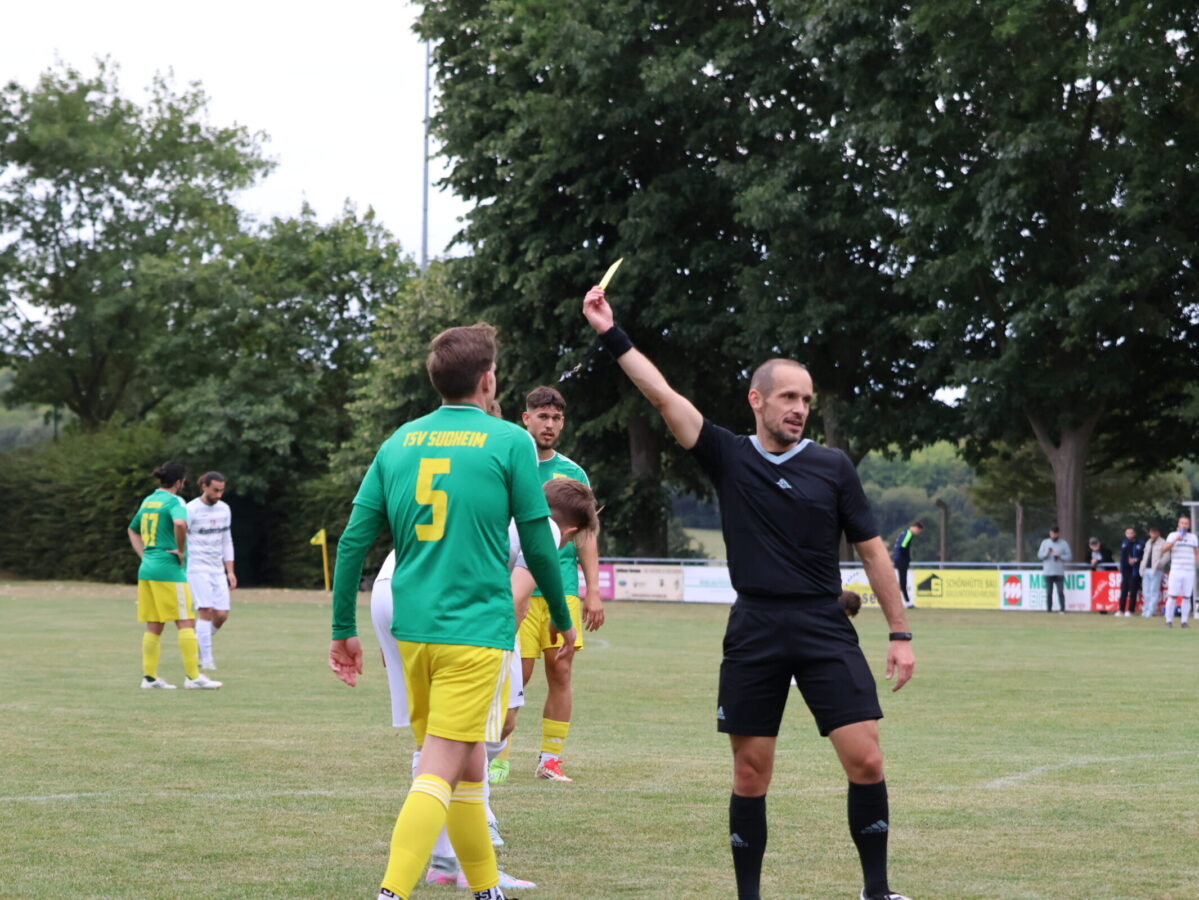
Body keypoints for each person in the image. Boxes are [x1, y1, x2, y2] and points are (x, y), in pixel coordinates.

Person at [582, 286, 915, 900]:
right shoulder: (728, 455)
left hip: (824, 624)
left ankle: (877, 890)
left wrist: (899, 633)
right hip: (756, 626)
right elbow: (662, 396)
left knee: (866, 758)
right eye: (788, 397)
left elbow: (873, 552)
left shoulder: (834, 467)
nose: (799, 409)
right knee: (750, 771)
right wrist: (611, 332)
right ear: (756, 400)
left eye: (806, 399)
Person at [327, 322, 575, 900]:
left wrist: (343, 629)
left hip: (412, 629)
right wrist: (562, 619)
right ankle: (392, 892)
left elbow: (352, 542)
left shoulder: (398, 442)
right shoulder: (509, 441)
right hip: (474, 631)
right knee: (440, 768)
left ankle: (484, 888)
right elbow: (539, 544)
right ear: (488, 379)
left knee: (467, 770)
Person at [369, 478, 599, 892]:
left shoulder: (494, 501)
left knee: (447, 737)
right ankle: (450, 862)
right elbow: (514, 598)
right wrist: (501, 658)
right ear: (569, 531)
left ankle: (453, 864)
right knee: (478, 730)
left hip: (396, 589)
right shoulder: (543, 527)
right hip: (450, 608)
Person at [508, 385, 604, 784]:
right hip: (519, 584)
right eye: (542, 416)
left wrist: (592, 591)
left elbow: (587, 534)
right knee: (515, 672)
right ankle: (497, 756)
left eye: (556, 418)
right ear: (526, 418)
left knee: (561, 671)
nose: (549, 424)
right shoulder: (511, 462)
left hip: (561, 586)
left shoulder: (573, 473)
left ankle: (550, 759)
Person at [126, 462, 221, 690]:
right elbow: (179, 523)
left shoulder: (149, 500)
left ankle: (149, 678)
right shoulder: (175, 501)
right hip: (168, 570)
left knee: (154, 624)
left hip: (147, 569)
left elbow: (132, 529)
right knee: (186, 620)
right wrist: (180, 550)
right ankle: (193, 677)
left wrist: (145, 555)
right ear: (179, 482)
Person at [185, 471, 237, 669]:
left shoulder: (224, 509)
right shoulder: (191, 509)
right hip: (196, 567)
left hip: (217, 569)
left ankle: (198, 642)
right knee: (205, 611)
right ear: (204, 486)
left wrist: (229, 571)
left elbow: (226, 540)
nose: (218, 495)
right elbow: (180, 535)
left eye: (221, 491)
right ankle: (206, 660)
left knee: (221, 614)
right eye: (215, 490)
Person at [1162, 516, 1199, 629]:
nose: (1184, 525)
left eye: (1186, 523)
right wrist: (1176, 540)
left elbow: (1197, 552)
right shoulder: (1172, 535)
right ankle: (1169, 621)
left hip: (1189, 570)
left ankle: (1184, 621)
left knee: (1187, 596)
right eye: (1182, 523)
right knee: (1172, 595)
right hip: (1176, 569)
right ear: (1178, 524)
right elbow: (1165, 549)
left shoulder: (1193, 537)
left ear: (1189, 525)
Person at [1037, 527, 1071, 614]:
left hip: (1059, 572)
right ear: (1050, 533)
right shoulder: (1045, 543)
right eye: (1052, 534)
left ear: (1058, 534)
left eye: (1055, 534)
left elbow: (1069, 556)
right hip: (1048, 572)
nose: (1053, 536)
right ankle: (1049, 609)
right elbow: (1039, 556)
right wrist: (1047, 553)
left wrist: (1060, 556)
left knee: (1060, 591)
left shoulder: (1063, 543)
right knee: (1049, 592)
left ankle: (1062, 609)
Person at [890, 521, 923, 609]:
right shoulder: (908, 534)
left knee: (901, 582)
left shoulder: (903, 532)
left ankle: (905, 602)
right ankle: (907, 603)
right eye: (919, 531)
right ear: (916, 528)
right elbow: (903, 546)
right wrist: (907, 558)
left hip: (897, 559)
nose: (918, 533)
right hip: (901, 560)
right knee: (903, 582)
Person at [1139, 526, 1167, 618]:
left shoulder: (1163, 542)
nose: (1153, 534)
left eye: (1155, 532)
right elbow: (1145, 555)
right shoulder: (1148, 542)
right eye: (1152, 532)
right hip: (1146, 569)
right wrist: (1142, 566)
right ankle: (1146, 610)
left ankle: (1151, 611)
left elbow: (1167, 556)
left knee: (1153, 591)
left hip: (1156, 569)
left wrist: (1160, 564)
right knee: (1146, 591)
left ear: (1158, 533)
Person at [1116, 527, 1144, 617]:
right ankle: (1121, 610)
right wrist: (1122, 569)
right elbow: (1122, 557)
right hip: (1125, 571)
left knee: (1133, 591)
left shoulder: (1140, 543)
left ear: (1134, 533)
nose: (1129, 535)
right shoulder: (1124, 543)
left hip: (1135, 571)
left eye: (1131, 533)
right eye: (1127, 533)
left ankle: (1130, 610)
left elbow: (1143, 556)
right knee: (1123, 591)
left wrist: (1136, 560)